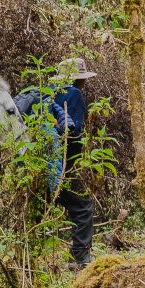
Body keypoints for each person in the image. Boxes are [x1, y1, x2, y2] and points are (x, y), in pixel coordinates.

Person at [53, 57, 97, 267]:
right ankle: (81, 256)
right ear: (77, 80)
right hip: (64, 163)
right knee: (83, 207)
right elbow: (74, 130)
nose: (84, 83)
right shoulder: (75, 94)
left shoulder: (48, 93)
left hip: (43, 162)